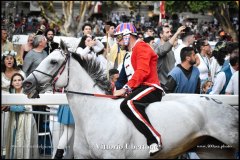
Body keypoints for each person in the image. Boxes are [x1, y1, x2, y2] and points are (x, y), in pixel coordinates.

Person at [113, 22, 164, 156]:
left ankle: (154, 140)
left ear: (127, 36)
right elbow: (122, 79)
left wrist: (125, 89)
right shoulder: (128, 54)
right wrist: (112, 89)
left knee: (128, 104)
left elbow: (142, 71)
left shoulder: (142, 46)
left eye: (118, 38)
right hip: (138, 89)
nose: (117, 42)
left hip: (151, 88)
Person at [3, 73, 39, 159]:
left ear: (23, 81)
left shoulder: (27, 92)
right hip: (14, 120)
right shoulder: (10, 94)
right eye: (15, 80)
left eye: (19, 80)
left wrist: (9, 107)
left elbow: (26, 108)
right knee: (14, 141)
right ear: (11, 83)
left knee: (25, 142)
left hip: (26, 120)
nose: (17, 82)